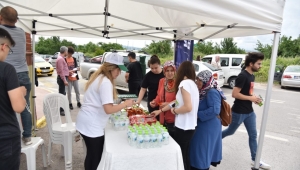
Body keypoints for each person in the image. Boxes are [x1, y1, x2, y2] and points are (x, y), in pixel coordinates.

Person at [76, 53, 134, 170]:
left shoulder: (99, 77)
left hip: (85, 122)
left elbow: (105, 104)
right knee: (96, 157)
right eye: (118, 70)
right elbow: (108, 110)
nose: (119, 73)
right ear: (112, 68)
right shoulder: (106, 82)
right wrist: (125, 104)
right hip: (92, 126)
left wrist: (118, 104)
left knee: (91, 155)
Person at [222, 52, 271, 169]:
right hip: (239, 112)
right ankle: (212, 139)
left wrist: (255, 98)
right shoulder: (242, 76)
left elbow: (247, 93)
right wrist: (250, 98)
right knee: (230, 131)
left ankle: (256, 159)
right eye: (258, 63)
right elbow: (234, 94)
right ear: (251, 63)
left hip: (249, 112)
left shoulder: (252, 75)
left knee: (253, 135)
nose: (260, 66)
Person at [152, 61, 199, 170]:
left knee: (180, 157)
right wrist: (160, 111)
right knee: (184, 154)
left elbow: (187, 107)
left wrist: (175, 111)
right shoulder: (192, 84)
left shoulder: (184, 83)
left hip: (183, 127)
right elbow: (176, 101)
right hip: (190, 127)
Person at [0, 6, 32, 145]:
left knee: (5, 108)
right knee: (24, 107)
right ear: (17, 20)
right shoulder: (21, 32)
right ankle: (27, 136)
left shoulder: (2, 33)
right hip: (23, 74)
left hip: (6, 74)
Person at [0, 28, 27, 170]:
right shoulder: (6, 69)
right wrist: (21, 93)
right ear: (3, 46)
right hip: (5, 138)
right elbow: (19, 107)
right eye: (9, 50)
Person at [190, 70, 224, 170]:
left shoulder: (212, 91)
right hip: (204, 126)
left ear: (206, 80)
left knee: (203, 152)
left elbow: (215, 110)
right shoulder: (204, 91)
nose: (197, 82)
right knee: (199, 151)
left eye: (200, 80)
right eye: (197, 79)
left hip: (208, 128)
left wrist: (197, 115)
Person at [149, 61, 176, 138]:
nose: (169, 73)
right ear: (164, 71)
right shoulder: (162, 81)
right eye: (167, 70)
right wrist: (155, 102)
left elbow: (179, 102)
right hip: (162, 117)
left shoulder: (178, 83)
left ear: (175, 71)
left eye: (172, 70)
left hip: (173, 119)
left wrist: (168, 104)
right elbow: (159, 96)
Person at [56, 46, 69, 116]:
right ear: (65, 51)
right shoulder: (60, 59)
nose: (67, 52)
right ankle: (61, 110)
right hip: (61, 79)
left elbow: (62, 69)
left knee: (63, 94)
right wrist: (64, 80)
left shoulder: (61, 58)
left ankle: (62, 109)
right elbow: (61, 71)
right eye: (67, 51)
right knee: (62, 95)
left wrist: (69, 72)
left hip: (62, 78)